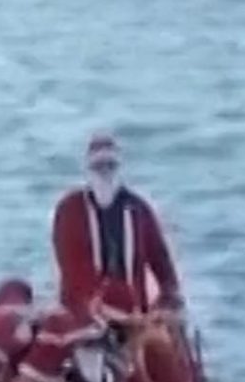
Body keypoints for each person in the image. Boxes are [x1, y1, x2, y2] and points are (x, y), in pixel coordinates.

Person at [51, 134, 184, 321]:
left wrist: (169, 299)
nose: (105, 171)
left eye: (110, 165)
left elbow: (162, 263)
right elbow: (75, 272)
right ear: (88, 170)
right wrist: (109, 310)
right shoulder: (70, 210)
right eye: (98, 166)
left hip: (136, 317)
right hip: (84, 317)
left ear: (120, 168)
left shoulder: (138, 210)